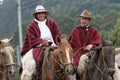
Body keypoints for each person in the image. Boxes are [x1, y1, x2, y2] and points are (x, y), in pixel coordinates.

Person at [19, 5, 61, 75]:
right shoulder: (32, 26)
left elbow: (57, 35)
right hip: (38, 47)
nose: (41, 15)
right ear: (36, 15)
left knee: (64, 58)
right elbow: (31, 40)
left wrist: (58, 43)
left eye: (42, 13)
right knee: (34, 61)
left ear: (45, 14)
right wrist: (42, 43)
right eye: (39, 13)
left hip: (54, 45)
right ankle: (33, 75)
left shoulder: (51, 23)